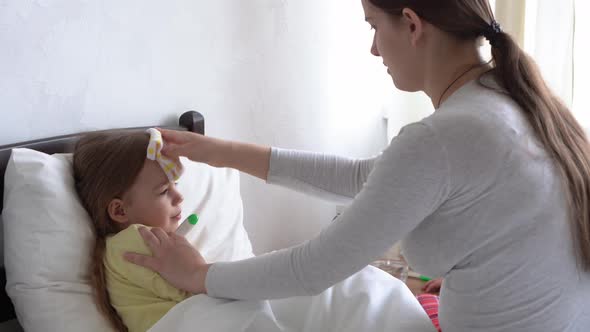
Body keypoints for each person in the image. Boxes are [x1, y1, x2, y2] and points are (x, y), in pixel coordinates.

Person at [124, 0, 590, 331]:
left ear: (411, 24)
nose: (372, 49)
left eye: (372, 24)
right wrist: (220, 152)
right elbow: (368, 179)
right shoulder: (507, 102)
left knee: (314, 296)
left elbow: (315, 268)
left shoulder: (445, 136)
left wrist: (199, 275)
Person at [74, 131, 190, 332]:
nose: (179, 196)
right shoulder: (137, 239)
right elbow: (194, 287)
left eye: (175, 184)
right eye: (164, 191)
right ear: (120, 211)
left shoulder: (116, 248)